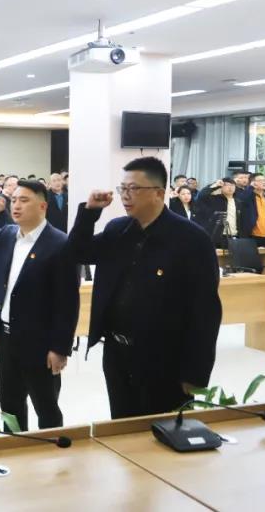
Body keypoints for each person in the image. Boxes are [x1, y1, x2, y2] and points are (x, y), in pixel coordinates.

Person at [68, 157, 222, 419]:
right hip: (117, 353)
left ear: (159, 193)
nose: (125, 196)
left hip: (164, 357)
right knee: (123, 425)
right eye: (123, 189)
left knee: (163, 428)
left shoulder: (192, 240)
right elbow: (77, 252)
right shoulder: (118, 230)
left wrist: (195, 373)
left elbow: (205, 312)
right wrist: (89, 213)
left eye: (134, 189)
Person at [0, 181, 79, 431]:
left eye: (24, 200)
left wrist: (60, 348)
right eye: (14, 200)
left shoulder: (60, 244)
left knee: (46, 406)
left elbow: (67, 302)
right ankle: (15, 447)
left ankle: (50, 451)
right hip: (5, 338)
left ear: (43, 206)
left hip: (40, 343)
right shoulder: (7, 235)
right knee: (10, 405)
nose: (16, 206)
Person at [199, 178, 244, 246]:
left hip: (235, 235)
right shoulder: (215, 199)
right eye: (226, 185)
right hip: (219, 236)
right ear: (221, 187)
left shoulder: (239, 202)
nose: (230, 187)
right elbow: (201, 196)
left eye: (232, 185)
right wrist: (215, 185)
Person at [239, 173, 265, 247]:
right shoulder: (248, 197)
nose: (263, 182)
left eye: (264, 180)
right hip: (252, 235)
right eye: (260, 180)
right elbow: (242, 199)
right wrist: (251, 187)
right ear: (253, 183)